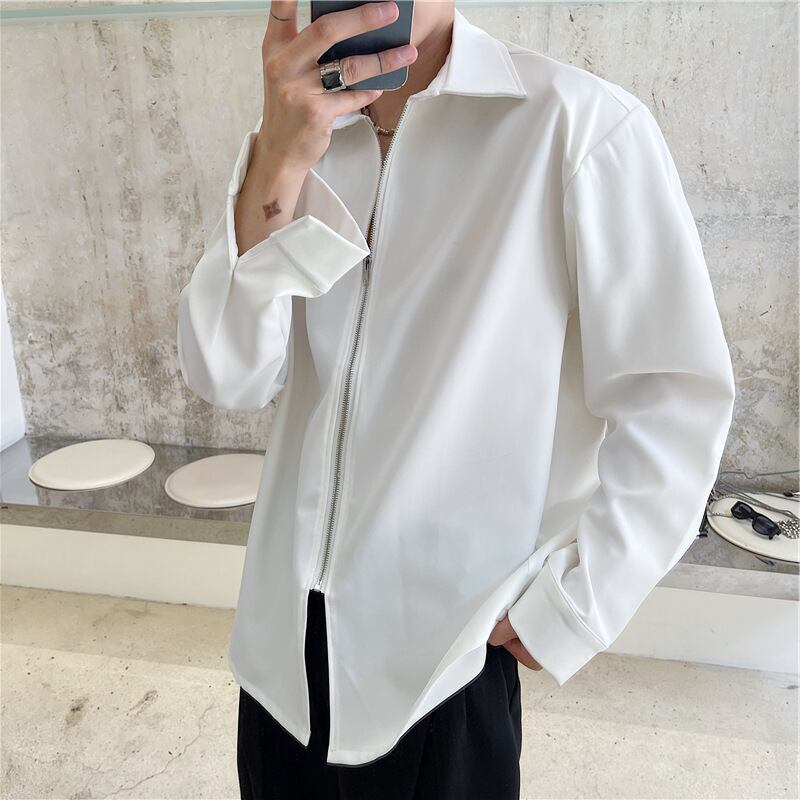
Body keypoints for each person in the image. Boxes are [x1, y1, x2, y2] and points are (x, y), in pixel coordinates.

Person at [176, 0, 737, 797]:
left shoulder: (574, 126)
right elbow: (229, 376)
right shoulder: (300, 136)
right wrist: (275, 163)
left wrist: (577, 606)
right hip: (280, 656)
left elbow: (674, 396)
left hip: (446, 663)